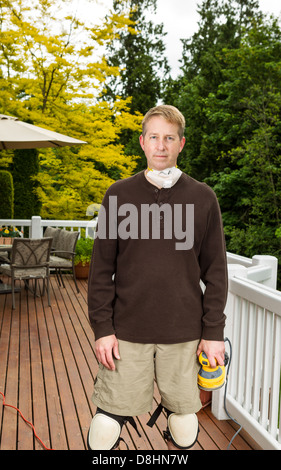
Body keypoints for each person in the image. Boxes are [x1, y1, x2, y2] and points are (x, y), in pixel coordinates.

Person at [87, 105, 228, 451]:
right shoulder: (118, 195)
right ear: (142, 142)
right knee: (104, 430)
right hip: (126, 332)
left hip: (183, 333)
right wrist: (102, 328)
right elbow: (101, 270)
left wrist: (213, 333)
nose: (161, 145)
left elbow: (217, 272)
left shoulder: (203, 198)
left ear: (181, 144)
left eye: (169, 138)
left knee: (184, 428)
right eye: (154, 137)